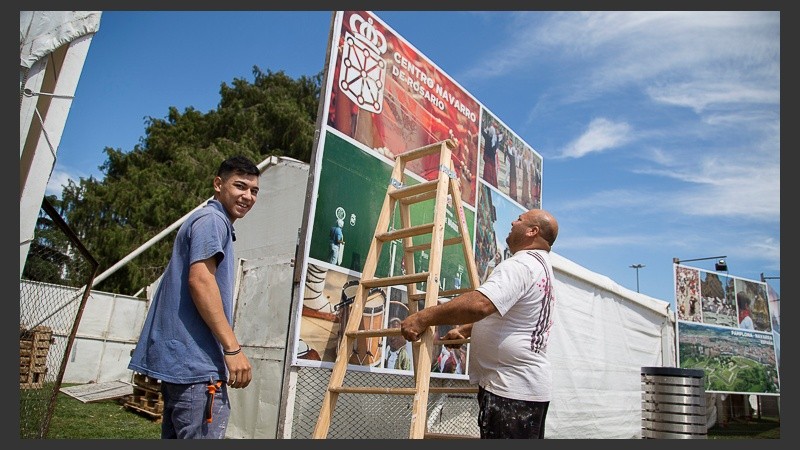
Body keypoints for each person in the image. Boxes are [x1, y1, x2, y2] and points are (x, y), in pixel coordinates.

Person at [128, 155, 260, 439]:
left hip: (185, 368)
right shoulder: (213, 220)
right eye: (240, 186)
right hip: (197, 369)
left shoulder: (207, 220)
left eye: (254, 190)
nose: (247, 196)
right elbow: (201, 280)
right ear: (218, 184)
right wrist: (232, 349)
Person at [401, 208, 559, 439]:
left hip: (510, 392)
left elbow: (480, 305)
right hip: (520, 391)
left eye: (520, 220)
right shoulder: (539, 265)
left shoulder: (521, 265)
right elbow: (511, 315)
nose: (513, 222)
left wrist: (423, 317)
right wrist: (465, 329)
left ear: (532, 231)